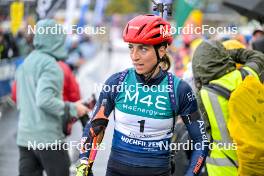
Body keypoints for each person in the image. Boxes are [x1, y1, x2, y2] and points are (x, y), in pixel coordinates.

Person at [76, 14, 209, 176]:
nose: (134, 56)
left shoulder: (179, 89)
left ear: (162, 50)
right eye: (131, 47)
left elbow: (200, 142)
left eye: (143, 49)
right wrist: (83, 170)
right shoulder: (117, 83)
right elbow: (93, 129)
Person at [15, 19, 88, 176]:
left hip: (25, 137)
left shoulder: (26, 62)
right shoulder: (51, 66)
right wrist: (74, 108)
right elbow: (44, 100)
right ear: (56, 40)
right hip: (48, 140)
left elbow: (18, 99)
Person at [192, 40, 264, 176]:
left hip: (223, 169)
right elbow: (258, 57)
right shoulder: (247, 75)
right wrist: (231, 53)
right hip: (255, 165)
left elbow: (201, 137)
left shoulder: (202, 96)